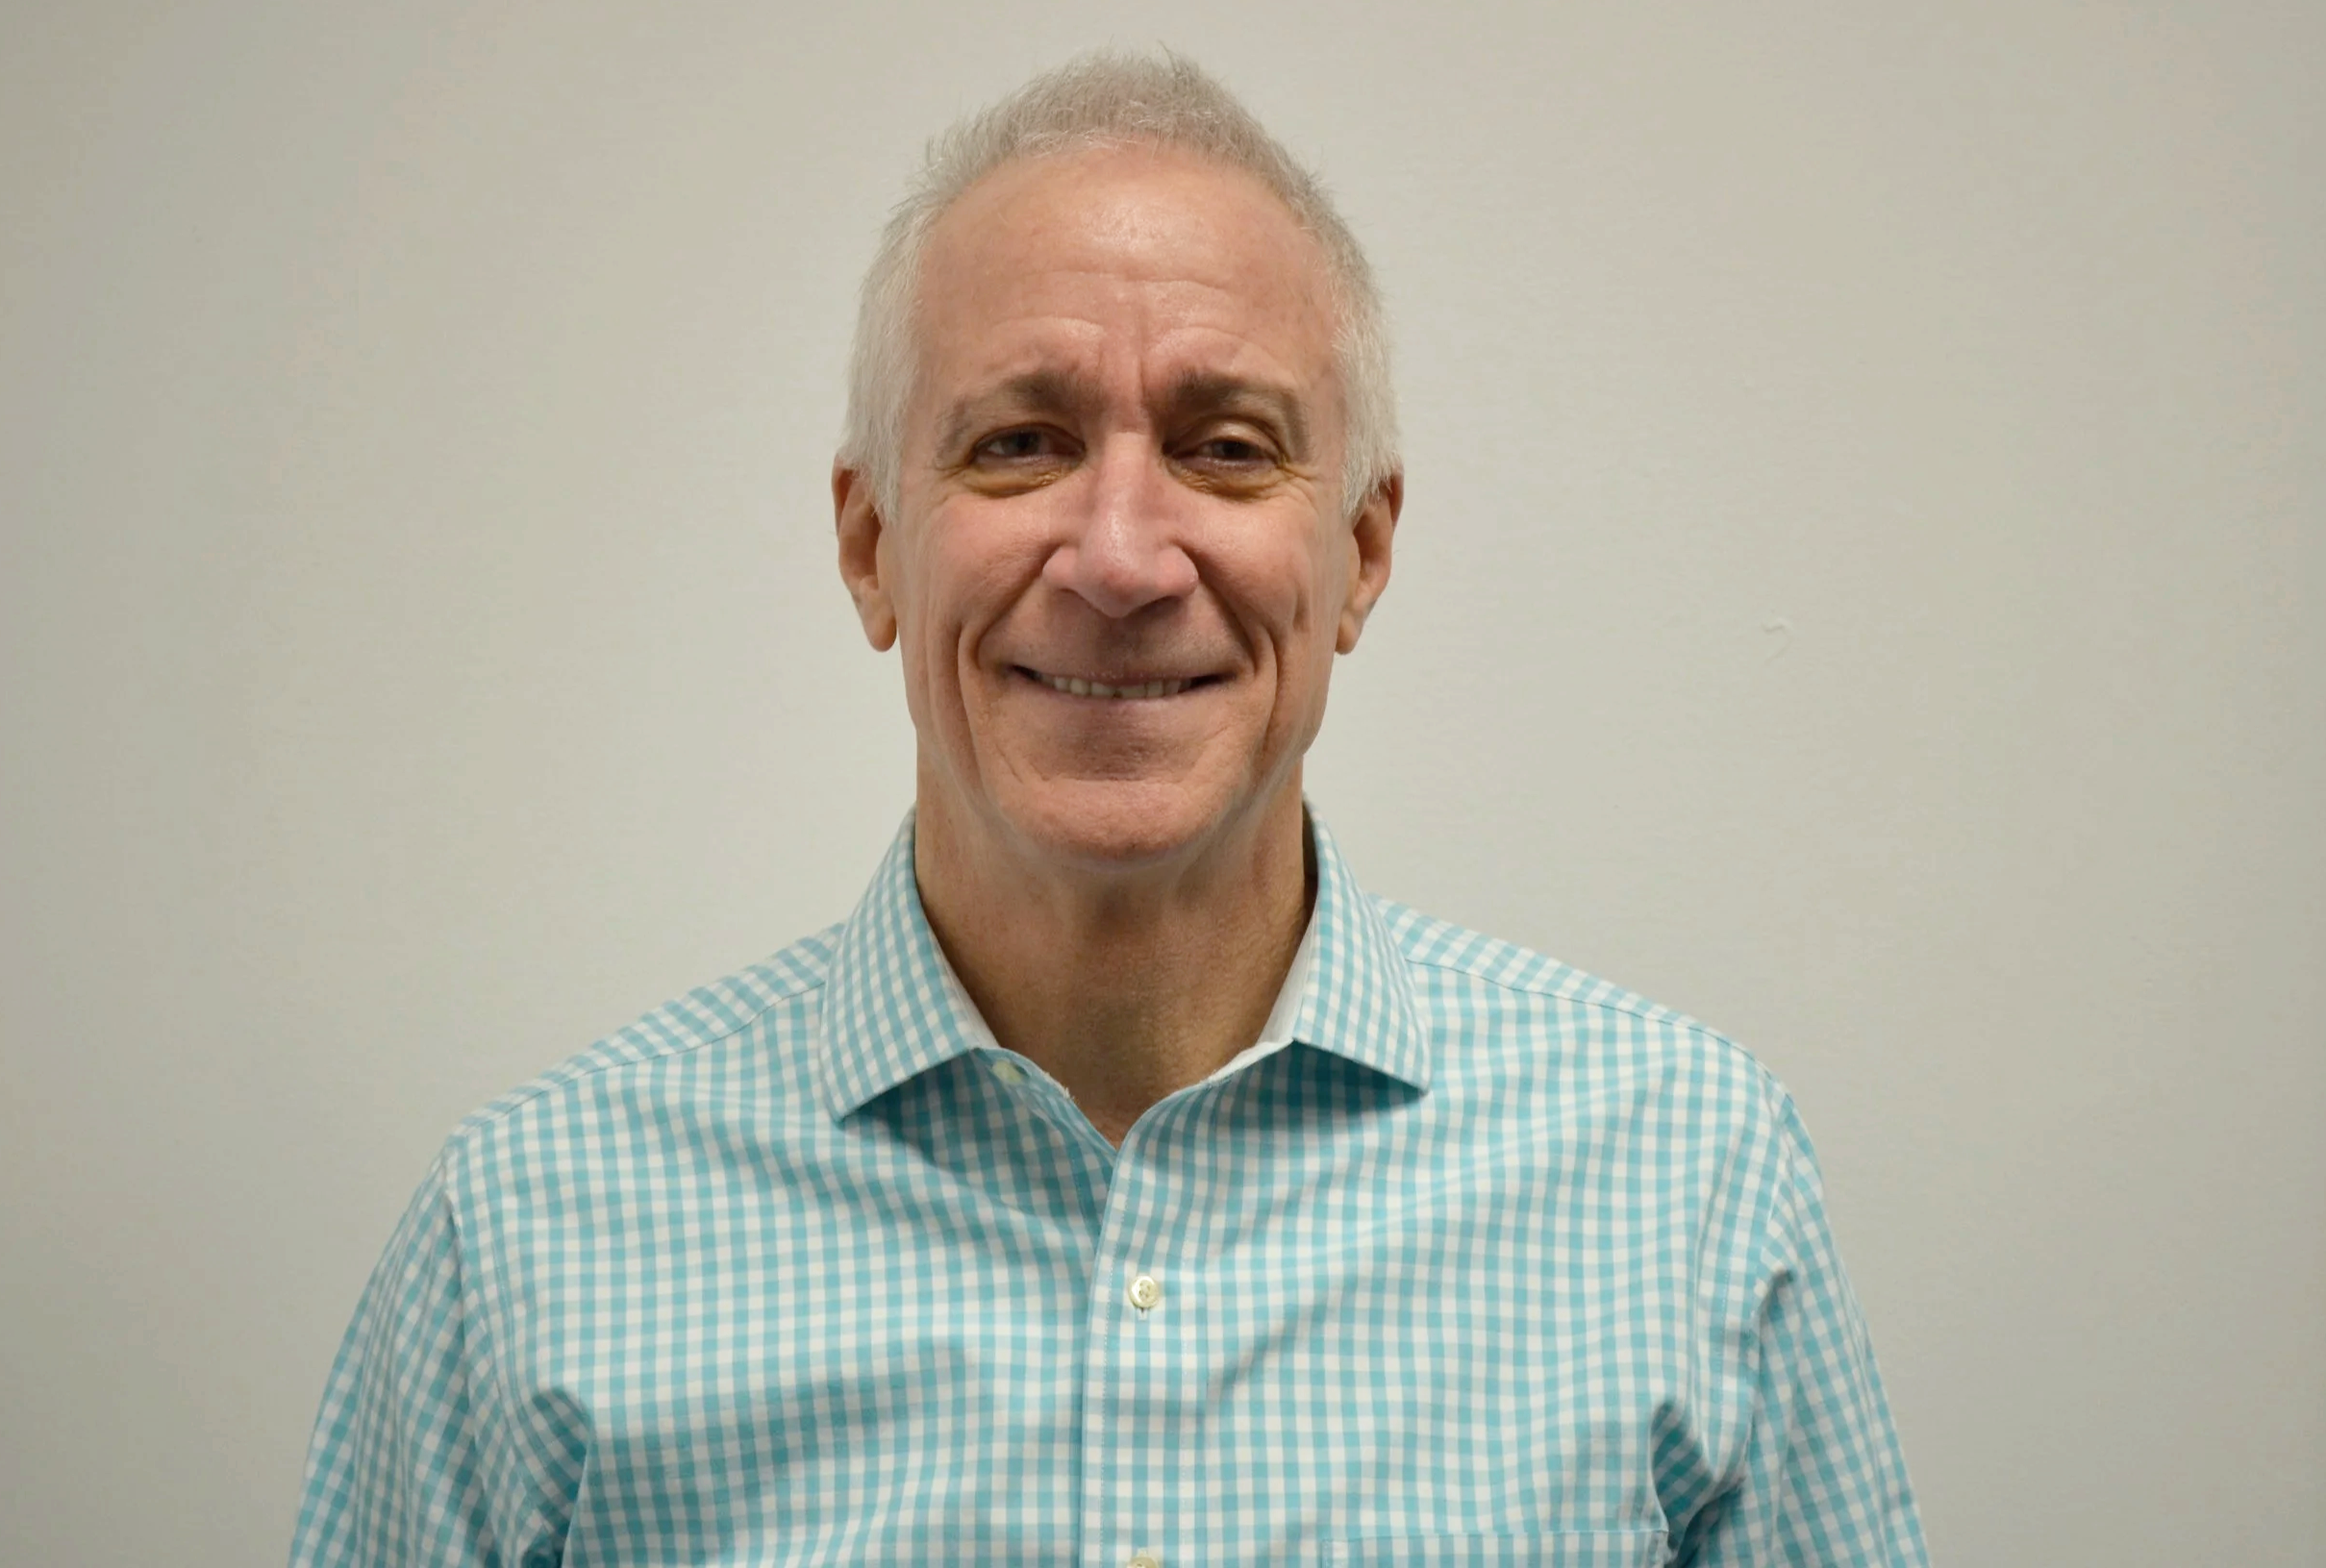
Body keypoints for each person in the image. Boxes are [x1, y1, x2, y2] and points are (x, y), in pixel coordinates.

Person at [291, 50, 1930, 1568]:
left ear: (1360, 553)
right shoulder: (522, 1246)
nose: (1124, 560)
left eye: (1226, 448)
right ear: (871, 544)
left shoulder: (1686, 1187)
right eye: (1020, 443)